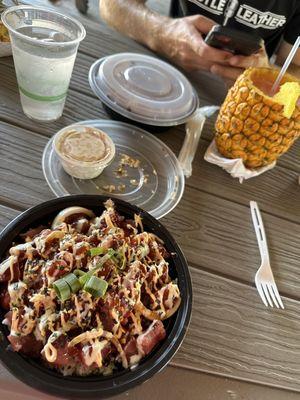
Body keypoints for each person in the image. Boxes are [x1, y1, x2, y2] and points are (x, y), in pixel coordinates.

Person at [99, 0, 300, 84]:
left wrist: (265, 74)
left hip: (239, 99)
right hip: (161, 70)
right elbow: (111, 5)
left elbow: (296, 65)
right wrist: (162, 33)